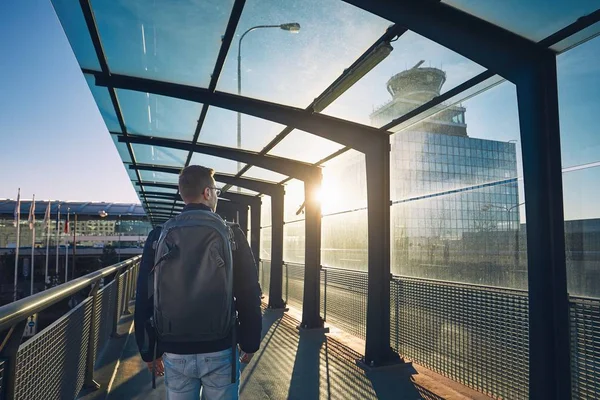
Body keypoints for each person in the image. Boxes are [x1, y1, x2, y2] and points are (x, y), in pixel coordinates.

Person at [134, 165, 262, 399]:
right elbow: (249, 291)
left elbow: (144, 294)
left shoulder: (159, 235)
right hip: (220, 346)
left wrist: (148, 350)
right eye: (216, 191)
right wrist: (250, 341)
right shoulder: (231, 233)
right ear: (207, 192)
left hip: (174, 348)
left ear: (183, 194)